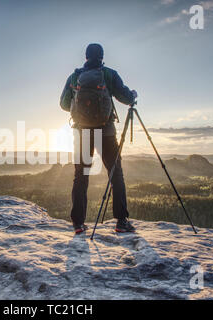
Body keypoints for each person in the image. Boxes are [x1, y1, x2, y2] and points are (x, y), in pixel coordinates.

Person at [60, 43, 138, 234]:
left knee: (81, 176)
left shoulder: (74, 77)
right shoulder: (109, 74)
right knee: (115, 174)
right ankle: (121, 222)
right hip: (106, 132)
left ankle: (78, 224)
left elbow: (63, 103)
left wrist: (80, 108)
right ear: (102, 56)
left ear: (85, 56)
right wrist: (133, 95)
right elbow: (126, 97)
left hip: (81, 133)